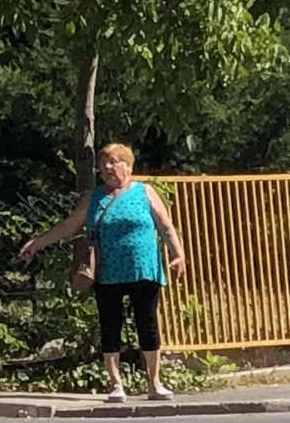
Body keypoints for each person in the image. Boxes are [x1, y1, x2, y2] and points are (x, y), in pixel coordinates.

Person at [19, 142, 187, 403]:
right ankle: (116, 383)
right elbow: (69, 226)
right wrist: (37, 242)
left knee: (148, 323)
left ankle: (154, 382)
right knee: (110, 325)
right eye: (104, 163)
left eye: (114, 161)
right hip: (107, 270)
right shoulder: (93, 197)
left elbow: (165, 225)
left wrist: (178, 254)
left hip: (143, 267)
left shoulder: (145, 192)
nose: (107, 167)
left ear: (128, 166)